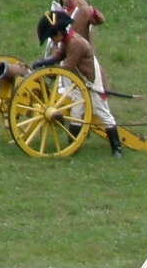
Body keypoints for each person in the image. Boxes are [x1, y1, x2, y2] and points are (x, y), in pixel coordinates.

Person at [32, 10, 123, 159]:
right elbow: (60, 54)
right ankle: (72, 146)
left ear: (59, 33)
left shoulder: (76, 43)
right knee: (76, 111)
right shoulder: (67, 41)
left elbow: (67, 66)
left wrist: (48, 71)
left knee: (102, 111)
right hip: (77, 81)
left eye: (53, 36)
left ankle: (117, 148)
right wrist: (46, 61)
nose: (53, 40)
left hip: (90, 79)